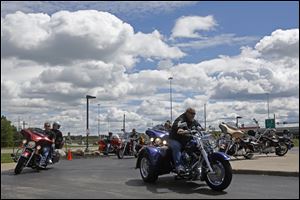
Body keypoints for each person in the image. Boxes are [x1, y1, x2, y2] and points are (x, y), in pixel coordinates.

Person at [169, 107, 203, 174]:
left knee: (196, 145)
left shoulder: (193, 121)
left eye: (194, 114)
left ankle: (195, 164)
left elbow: (200, 127)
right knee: (176, 147)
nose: (193, 115)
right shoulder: (181, 119)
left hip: (186, 139)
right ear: (187, 113)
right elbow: (177, 126)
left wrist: (204, 130)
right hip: (175, 139)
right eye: (192, 113)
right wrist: (180, 130)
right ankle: (179, 166)